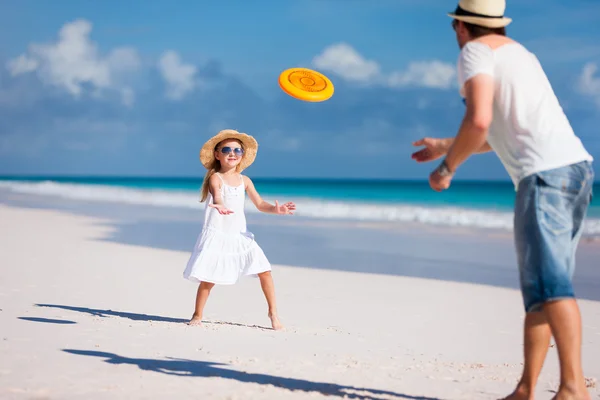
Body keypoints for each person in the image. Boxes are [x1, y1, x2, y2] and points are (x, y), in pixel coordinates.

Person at [411, 1, 594, 399]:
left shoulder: (474, 52)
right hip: (576, 170)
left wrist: (446, 169)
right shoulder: (520, 54)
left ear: (461, 27)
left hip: (543, 175)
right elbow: (496, 130)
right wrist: (447, 146)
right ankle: (526, 389)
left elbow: (477, 122)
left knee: (552, 285)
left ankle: (573, 389)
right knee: (539, 288)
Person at [183, 129, 296, 331]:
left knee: (265, 271)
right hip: (219, 234)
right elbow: (217, 195)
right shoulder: (215, 177)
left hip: (240, 235)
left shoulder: (245, 181)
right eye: (226, 149)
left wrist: (276, 209)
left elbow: (260, 204)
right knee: (209, 279)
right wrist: (219, 204)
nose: (232, 153)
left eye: (238, 150)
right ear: (217, 154)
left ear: (242, 155)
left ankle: (273, 313)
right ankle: (197, 314)